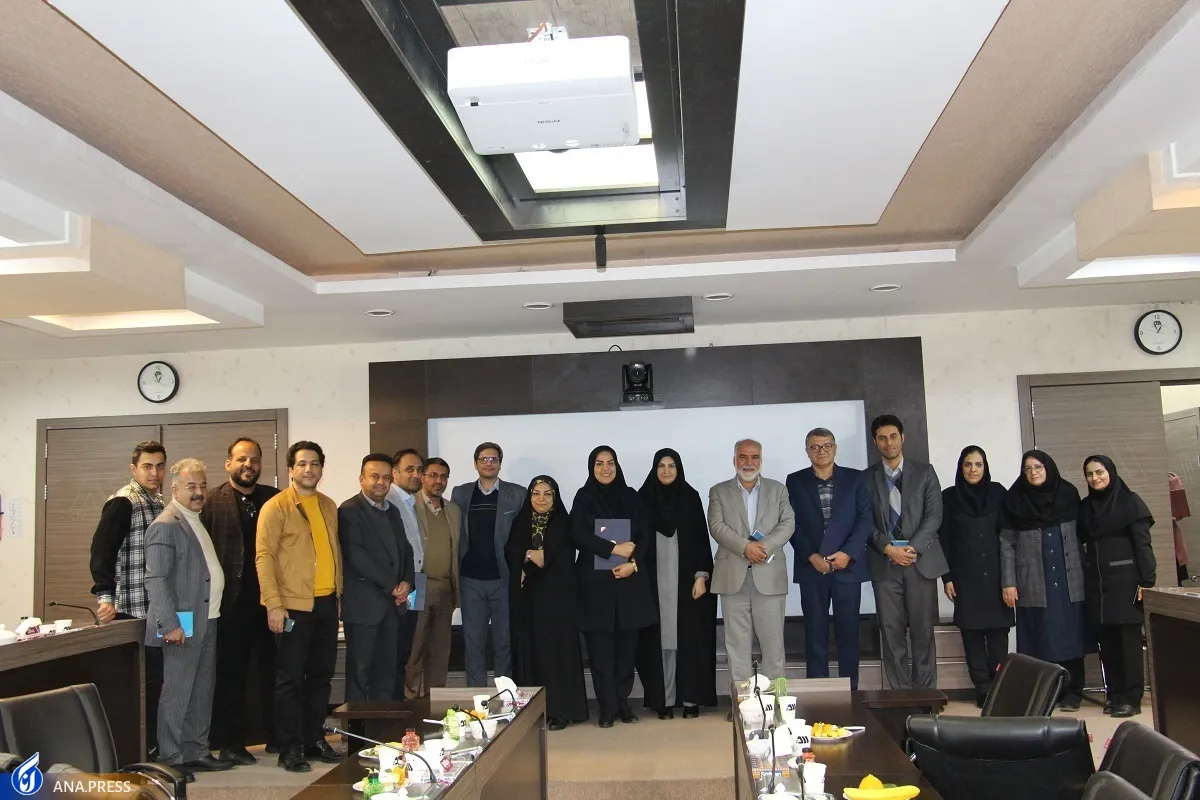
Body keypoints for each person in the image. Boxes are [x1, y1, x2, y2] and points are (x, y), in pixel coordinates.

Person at [256, 441, 342, 772]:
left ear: (321, 468)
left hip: (326, 603)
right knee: (290, 679)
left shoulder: (328, 505)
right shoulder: (276, 507)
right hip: (292, 606)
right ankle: (289, 746)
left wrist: (338, 598)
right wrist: (273, 605)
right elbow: (264, 557)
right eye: (302, 464)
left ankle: (313, 737)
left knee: (321, 676)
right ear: (291, 469)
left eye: (315, 463)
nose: (309, 469)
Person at [144, 458, 232, 780]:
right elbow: (156, 579)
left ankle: (195, 750)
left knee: (201, 690)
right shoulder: (166, 524)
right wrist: (170, 625)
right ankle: (169, 758)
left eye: (203, 486)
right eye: (191, 486)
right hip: (182, 624)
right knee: (178, 692)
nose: (199, 492)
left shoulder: (196, 520)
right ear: (174, 489)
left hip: (208, 618)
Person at [202, 437, 280, 764]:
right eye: (242, 459)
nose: (248, 464)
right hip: (231, 605)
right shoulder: (211, 501)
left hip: (271, 602)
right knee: (231, 675)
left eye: (254, 459)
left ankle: (276, 736)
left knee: (274, 672)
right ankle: (231, 743)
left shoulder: (274, 499)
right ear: (228, 464)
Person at [89, 440, 167, 756]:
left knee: (157, 683)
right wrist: (105, 596)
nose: (154, 472)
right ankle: (137, 752)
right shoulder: (124, 502)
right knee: (138, 686)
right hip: (129, 610)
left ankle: (154, 747)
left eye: (159, 466)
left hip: (156, 609)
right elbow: (101, 551)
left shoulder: (159, 502)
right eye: (147, 466)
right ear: (134, 469)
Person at [571, 446, 657, 728]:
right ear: (591, 467)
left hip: (629, 584)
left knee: (626, 653)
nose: (605, 468)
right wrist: (613, 548)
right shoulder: (584, 497)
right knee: (600, 654)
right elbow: (578, 534)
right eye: (599, 463)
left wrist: (633, 563)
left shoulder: (631, 496)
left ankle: (623, 704)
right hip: (595, 589)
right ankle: (607, 708)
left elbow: (644, 535)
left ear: (617, 466)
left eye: (610, 463)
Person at [999, 450, 1087, 711]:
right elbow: (1006, 545)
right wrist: (1008, 582)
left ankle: (1073, 691)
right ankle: (1047, 692)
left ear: (1048, 468)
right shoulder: (1015, 500)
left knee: (1071, 634)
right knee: (1040, 637)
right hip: (1033, 580)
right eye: (1027, 469)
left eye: (1038, 467)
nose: (1033, 472)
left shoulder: (1068, 495)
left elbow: (1084, 534)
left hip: (1068, 577)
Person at [786, 428, 872, 689]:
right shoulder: (795, 481)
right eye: (815, 447)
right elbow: (791, 523)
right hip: (812, 568)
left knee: (849, 633)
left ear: (835, 448)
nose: (821, 451)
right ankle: (818, 691)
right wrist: (810, 556)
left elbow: (865, 519)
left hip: (847, 567)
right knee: (815, 634)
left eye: (826, 446)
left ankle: (850, 690)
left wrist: (848, 553)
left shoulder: (855, 478)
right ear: (807, 451)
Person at [865, 415, 947, 690]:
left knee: (923, 632)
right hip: (885, 565)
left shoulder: (925, 472)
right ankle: (900, 696)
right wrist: (888, 549)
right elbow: (864, 521)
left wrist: (912, 549)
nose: (888, 443)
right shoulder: (865, 478)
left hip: (919, 562)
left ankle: (926, 697)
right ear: (875, 442)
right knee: (891, 634)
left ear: (903, 438)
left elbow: (934, 515)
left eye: (893, 436)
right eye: (882, 438)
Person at [636, 449, 718, 719]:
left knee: (688, 639)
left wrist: (701, 576)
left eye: (671, 466)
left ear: (679, 469)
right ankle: (665, 700)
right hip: (653, 583)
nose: (666, 471)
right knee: (660, 642)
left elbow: (701, 540)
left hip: (687, 584)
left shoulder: (690, 497)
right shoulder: (642, 499)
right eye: (661, 466)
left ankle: (690, 699)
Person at [709, 439, 796, 686]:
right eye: (743, 457)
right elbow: (716, 526)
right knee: (737, 645)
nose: (749, 462)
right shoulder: (718, 491)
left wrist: (762, 547)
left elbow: (788, 524)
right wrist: (745, 547)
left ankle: (776, 700)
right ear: (734, 460)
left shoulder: (778, 490)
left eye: (754, 457)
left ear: (761, 460)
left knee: (773, 643)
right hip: (732, 576)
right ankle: (742, 702)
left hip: (769, 575)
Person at [505, 475, 588, 729]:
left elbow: (554, 559)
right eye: (536, 493)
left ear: (555, 497)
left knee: (556, 656)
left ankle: (560, 710)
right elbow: (511, 551)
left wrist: (530, 558)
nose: (541, 499)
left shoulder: (563, 522)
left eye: (547, 494)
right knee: (530, 653)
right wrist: (529, 553)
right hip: (528, 604)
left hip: (557, 604)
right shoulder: (521, 522)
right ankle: (532, 712)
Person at [1079, 455, 1156, 718]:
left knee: (1128, 644)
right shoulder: (1086, 507)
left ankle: (1131, 699)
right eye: (1089, 474)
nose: (1095, 478)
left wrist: (1147, 581)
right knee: (1108, 644)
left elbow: (1143, 545)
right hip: (1097, 584)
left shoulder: (1130, 502)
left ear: (1110, 472)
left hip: (1126, 583)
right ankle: (1114, 694)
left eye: (1099, 472)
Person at [938, 445, 1013, 707]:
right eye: (968, 464)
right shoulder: (949, 497)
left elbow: (1009, 537)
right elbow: (944, 540)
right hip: (965, 578)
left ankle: (1000, 687)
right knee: (972, 636)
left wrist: (1010, 580)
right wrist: (946, 577)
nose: (973, 469)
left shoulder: (999, 493)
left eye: (978, 464)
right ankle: (982, 688)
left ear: (985, 467)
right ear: (961, 467)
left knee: (998, 636)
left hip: (997, 577)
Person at [339, 454, 415, 702]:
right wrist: (392, 585)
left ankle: (383, 724)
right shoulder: (349, 510)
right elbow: (356, 555)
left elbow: (405, 549)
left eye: (385, 477)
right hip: (363, 607)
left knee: (387, 672)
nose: (380, 482)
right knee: (360, 673)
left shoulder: (392, 511)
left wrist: (407, 582)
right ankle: (357, 727)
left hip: (391, 608)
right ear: (361, 479)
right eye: (374, 477)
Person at [450, 442, 526, 686]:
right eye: (484, 459)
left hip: (504, 579)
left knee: (504, 643)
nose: (489, 463)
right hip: (470, 580)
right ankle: (476, 697)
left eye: (494, 459)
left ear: (500, 464)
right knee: (473, 644)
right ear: (475, 463)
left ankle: (505, 696)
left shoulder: (517, 494)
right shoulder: (461, 494)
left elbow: (524, 534)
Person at [405, 457, 460, 698]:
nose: (439, 481)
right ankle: (409, 701)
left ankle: (434, 701)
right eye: (433, 475)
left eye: (443, 476)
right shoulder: (409, 506)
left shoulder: (453, 510)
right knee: (414, 648)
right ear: (422, 477)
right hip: (418, 586)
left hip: (446, 587)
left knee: (440, 651)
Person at [385, 449, 426, 697]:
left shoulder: (412, 501)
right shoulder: (388, 499)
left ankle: (399, 703)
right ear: (395, 473)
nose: (416, 475)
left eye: (419, 470)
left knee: (406, 648)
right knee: (394, 650)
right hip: (400, 585)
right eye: (409, 469)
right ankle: (392, 705)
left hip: (416, 581)